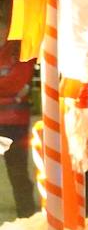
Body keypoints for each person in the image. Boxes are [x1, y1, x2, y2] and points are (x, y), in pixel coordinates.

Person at [0, 39, 36, 218]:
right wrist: (11, 97)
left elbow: (17, 81)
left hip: (15, 123)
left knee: (18, 172)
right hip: (15, 117)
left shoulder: (19, 48)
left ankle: (27, 217)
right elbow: (13, 85)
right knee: (18, 172)